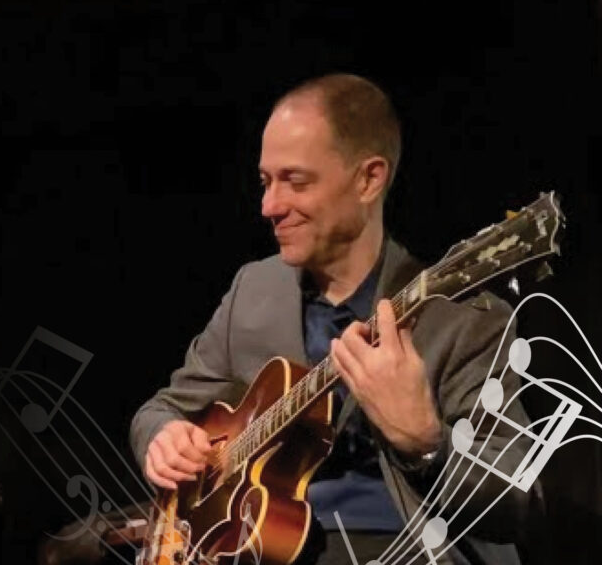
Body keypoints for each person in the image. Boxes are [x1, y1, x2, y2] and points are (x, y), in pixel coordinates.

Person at [130, 73, 541, 564]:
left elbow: (520, 504)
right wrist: (163, 439)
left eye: (295, 182)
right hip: (259, 549)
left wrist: (426, 444)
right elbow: (162, 409)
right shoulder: (253, 291)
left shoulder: (465, 322)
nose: (269, 207)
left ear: (369, 179)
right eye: (265, 182)